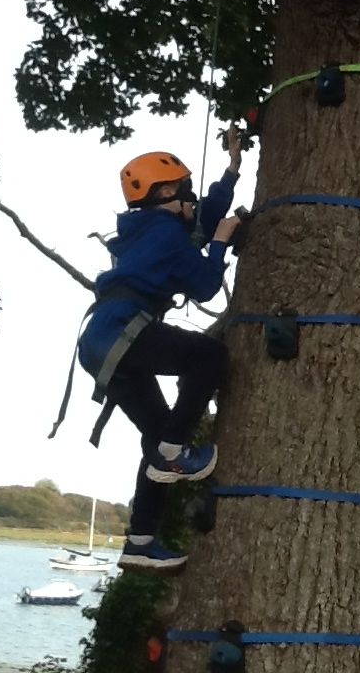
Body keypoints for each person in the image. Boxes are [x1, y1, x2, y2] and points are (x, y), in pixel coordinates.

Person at [78, 130, 242, 571]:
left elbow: (202, 217)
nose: (193, 198)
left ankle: (140, 542)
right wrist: (221, 243)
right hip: (124, 332)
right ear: (168, 194)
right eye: (186, 190)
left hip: (101, 340)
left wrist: (231, 170)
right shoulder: (167, 235)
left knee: (157, 436)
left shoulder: (146, 230)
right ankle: (174, 453)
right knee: (208, 356)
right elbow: (205, 285)